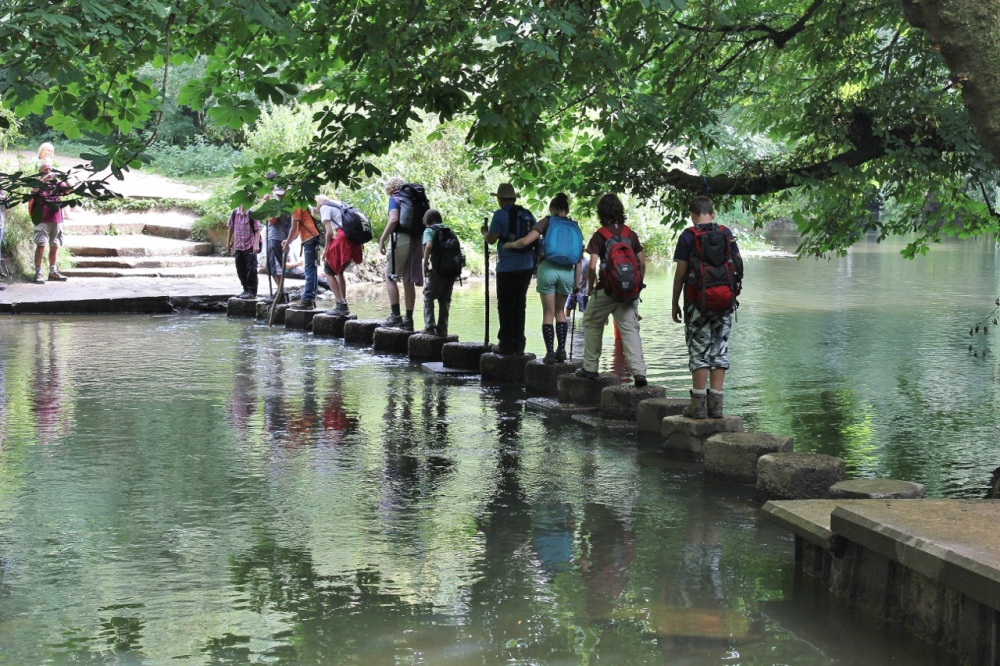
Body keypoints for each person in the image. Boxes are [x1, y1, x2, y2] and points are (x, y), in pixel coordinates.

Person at [671, 195, 741, 418]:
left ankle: (698, 406)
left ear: (692, 216)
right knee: (719, 349)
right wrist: (731, 294)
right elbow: (738, 266)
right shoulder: (726, 233)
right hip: (725, 302)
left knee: (699, 350)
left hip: (697, 304)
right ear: (713, 214)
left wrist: (675, 303)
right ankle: (717, 406)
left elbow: (681, 273)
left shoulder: (688, 236)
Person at [575, 193, 648, 387]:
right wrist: (637, 286)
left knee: (591, 320)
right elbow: (641, 262)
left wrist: (591, 289)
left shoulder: (600, 235)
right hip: (629, 291)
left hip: (607, 290)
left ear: (601, 213)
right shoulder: (629, 234)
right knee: (630, 328)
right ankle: (639, 373)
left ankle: (590, 368)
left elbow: (591, 266)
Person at [503, 192, 582, 364]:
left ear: (552, 208)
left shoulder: (547, 221)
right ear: (567, 210)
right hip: (567, 272)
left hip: (548, 269)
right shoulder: (574, 226)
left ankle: (550, 354)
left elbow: (525, 242)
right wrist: (578, 282)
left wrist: (509, 245)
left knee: (548, 313)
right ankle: (561, 351)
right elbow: (579, 259)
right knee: (561, 312)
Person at [482, 183, 536, 355]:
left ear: (500, 199)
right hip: (526, 265)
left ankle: (505, 343)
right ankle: (519, 344)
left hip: (507, 268)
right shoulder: (527, 215)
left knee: (505, 305)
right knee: (520, 305)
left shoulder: (500, 215)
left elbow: (491, 239)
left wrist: (484, 232)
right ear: (513, 198)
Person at [378, 177, 423, 330]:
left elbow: (394, 219)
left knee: (389, 276)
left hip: (400, 239)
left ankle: (395, 316)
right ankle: (408, 320)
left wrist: (382, 239)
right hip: (416, 240)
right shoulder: (413, 198)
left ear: (390, 189)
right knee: (408, 279)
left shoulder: (395, 198)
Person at [319, 194, 363, 316]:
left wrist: (326, 249)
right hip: (353, 240)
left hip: (343, 239)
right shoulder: (340, 204)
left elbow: (328, 233)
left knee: (328, 271)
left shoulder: (324, 207)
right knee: (338, 271)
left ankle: (340, 304)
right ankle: (343, 302)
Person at [31, 161, 71, 284]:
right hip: (41, 219)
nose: (48, 172)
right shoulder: (37, 182)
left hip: (56, 218)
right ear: (40, 171)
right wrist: (44, 179)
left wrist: (65, 177)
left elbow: (69, 190)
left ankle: (53, 272)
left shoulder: (57, 183)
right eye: (45, 170)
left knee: (55, 246)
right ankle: (38, 273)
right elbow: (33, 191)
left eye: (49, 169)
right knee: (41, 245)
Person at [420, 209, 456, 336]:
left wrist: (424, 265)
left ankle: (429, 326)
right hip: (452, 270)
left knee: (428, 295)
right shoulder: (448, 230)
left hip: (439, 270)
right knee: (445, 298)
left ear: (428, 221)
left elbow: (429, 246)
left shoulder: (429, 230)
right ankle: (442, 329)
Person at [282, 198, 322, 310]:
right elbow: (298, 228)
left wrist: (287, 244)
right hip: (314, 237)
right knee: (312, 268)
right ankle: (310, 298)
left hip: (309, 238)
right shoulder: (300, 203)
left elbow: (294, 228)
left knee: (309, 269)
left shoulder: (294, 205)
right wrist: (289, 240)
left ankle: (307, 299)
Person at [225, 201, 261, 299]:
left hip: (249, 245)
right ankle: (245, 289)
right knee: (240, 269)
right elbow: (231, 228)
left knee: (251, 270)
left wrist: (256, 244)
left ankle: (252, 291)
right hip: (238, 245)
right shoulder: (234, 213)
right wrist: (228, 242)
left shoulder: (252, 214)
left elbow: (257, 230)